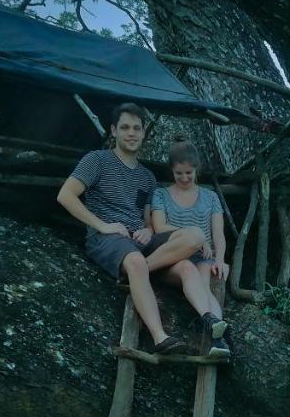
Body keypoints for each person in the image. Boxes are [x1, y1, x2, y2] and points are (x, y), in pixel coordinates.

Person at [56, 102, 203, 354]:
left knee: (195, 235)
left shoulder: (147, 177)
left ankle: (140, 273)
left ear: (145, 132)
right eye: (125, 127)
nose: (131, 133)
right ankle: (160, 337)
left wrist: (148, 227)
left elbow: (146, 216)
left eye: (137, 128)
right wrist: (102, 225)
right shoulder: (97, 160)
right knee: (134, 260)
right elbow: (65, 195)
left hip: (140, 239)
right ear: (113, 131)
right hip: (108, 238)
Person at [150, 136, 232, 357]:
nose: (184, 178)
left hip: (202, 257)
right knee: (187, 268)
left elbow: (218, 234)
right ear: (172, 171)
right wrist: (196, 237)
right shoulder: (161, 194)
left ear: (196, 170)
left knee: (204, 282)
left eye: (189, 173)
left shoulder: (210, 197)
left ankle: (219, 338)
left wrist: (220, 259)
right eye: (179, 173)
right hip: (172, 256)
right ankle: (212, 322)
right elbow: (159, 227)